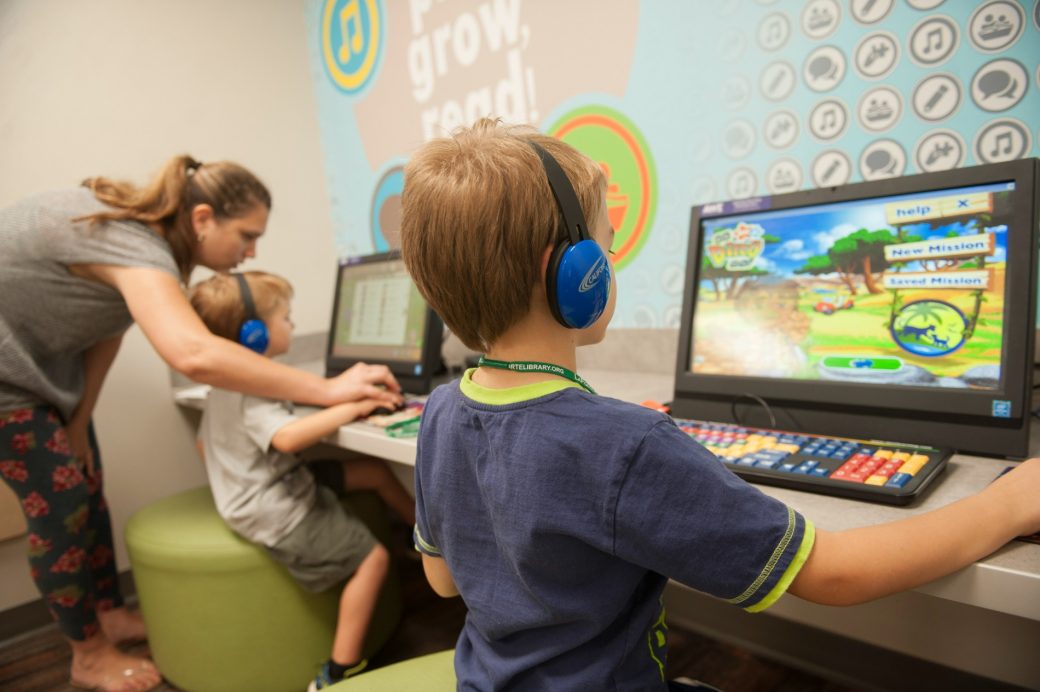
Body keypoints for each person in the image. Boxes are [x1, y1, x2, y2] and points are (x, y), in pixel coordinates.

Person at [398, 118, 1040, 691]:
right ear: (575, 270)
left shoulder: (444, 410)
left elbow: (445, 581)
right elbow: (833, 574)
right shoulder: (626, 445)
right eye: (608, 247)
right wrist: (1007, 503)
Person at [0, 156, 403, 692]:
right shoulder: (136, 243)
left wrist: (80, 417)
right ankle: (87, 654)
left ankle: (105, 614)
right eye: (247, 235)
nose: (252, 252)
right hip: (9, 383)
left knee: (86, 486)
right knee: (62, 510)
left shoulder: (149, 250)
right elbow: (191, 352)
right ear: (204, 218)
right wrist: (330, 390)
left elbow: (108, 329)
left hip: (50, 378)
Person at [189, 270, 417, 691]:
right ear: (254, 335)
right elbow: (288, 436)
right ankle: (338, 670)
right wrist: (356, 406)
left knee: (373, 472)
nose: (292, 324)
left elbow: (207, 445)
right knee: (373, 560)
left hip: (270, 483)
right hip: (275, 507)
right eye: (287, 317)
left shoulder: (226, 381)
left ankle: (421, 543)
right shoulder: (251, 390)